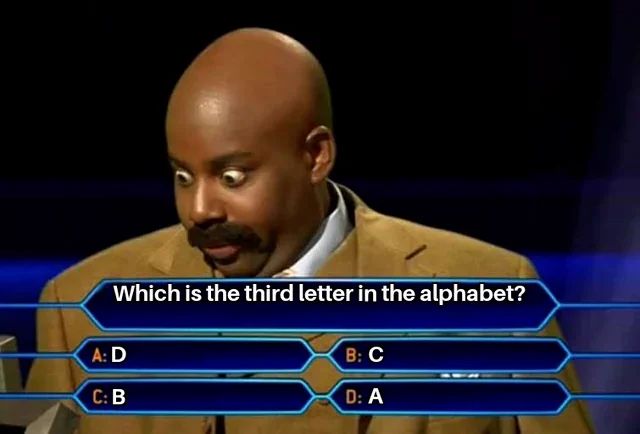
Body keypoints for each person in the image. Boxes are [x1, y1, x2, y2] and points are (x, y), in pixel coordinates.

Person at [26, 28, 594, 434]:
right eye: (182, 176)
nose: (199, 209)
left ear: (316, 156)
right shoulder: (79, 310)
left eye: (232, 176)